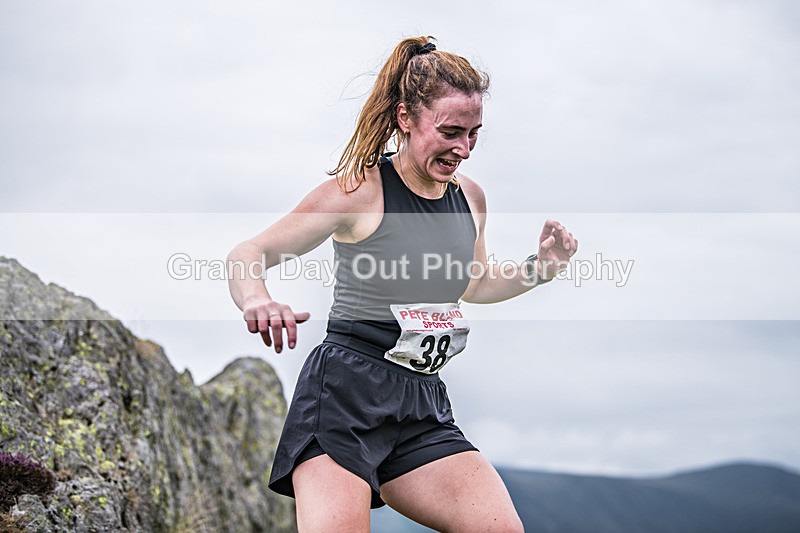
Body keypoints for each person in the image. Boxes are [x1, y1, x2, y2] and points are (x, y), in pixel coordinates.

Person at [227, 36, 577, 533]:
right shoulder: (359, 191)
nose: (464, 149)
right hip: (344, 400)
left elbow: (474, 284)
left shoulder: (470, 198)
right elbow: (248, 254)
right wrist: (257, 299)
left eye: (474, 134)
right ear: (405, 118)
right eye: (451, 131)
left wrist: (541, 267)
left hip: (420, 402)